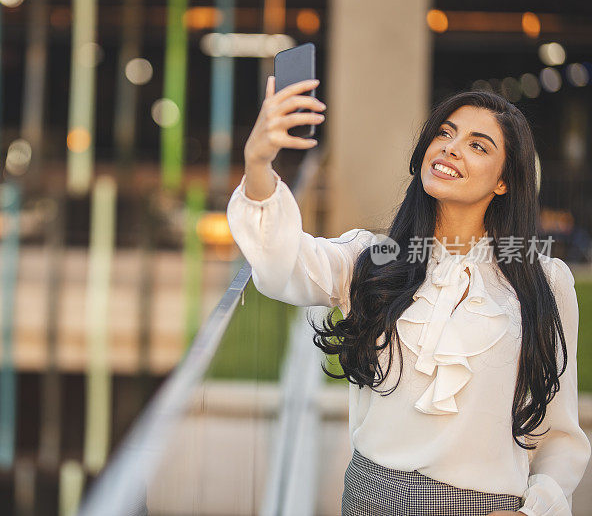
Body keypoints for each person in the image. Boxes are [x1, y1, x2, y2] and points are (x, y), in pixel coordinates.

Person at [226, 77, 591, 515]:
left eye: (478, 146)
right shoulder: (372, 258)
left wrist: (534, 511)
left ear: (504, 183)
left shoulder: (545, 281)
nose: (451, 148)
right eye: (444, 132)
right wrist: (258, 163)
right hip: (370, 500)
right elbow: (282, 262)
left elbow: (559, 434)